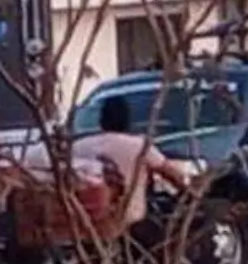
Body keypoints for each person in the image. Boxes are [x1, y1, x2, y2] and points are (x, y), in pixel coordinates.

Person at [71, 93, 196, 249]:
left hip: (86, 224)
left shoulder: (80, 147)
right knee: (167, 246)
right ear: (127, 121)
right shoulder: (139, 146)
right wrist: (190, 193)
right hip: (131, 225)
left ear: (101, 120)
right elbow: (170, 173)